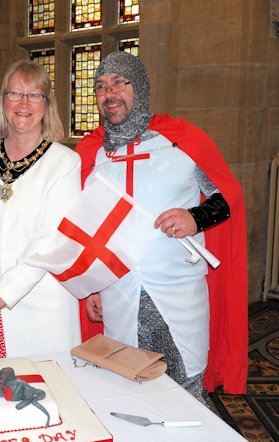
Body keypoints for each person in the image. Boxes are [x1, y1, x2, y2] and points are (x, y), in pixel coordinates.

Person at [76, 51, 247, 404]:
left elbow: (227, 198)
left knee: (187, 391)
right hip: (117, 294)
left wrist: (194, 217)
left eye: (119, 83)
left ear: (139, 88)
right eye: (101, 86)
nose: (110, 93)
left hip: (178, 293)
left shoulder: (183, 140)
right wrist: (90, 287)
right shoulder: (91, 152)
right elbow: (84, 226)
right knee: (124, 389)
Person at [0, 60, 82, 359]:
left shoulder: (64, 163)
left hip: (40, 308)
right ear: (2, 101)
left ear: (47, 104)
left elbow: (50, 241)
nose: (23, 103)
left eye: (34, 95)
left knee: (44, 395)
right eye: (14, 93)